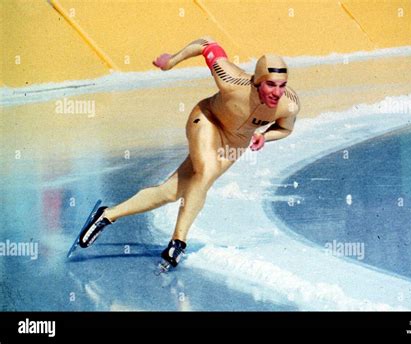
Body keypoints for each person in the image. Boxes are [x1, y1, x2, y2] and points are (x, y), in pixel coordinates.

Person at [77, 37, 300, 271]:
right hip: (207, 120)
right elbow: (206, 45)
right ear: (257, 82)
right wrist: (171, 61)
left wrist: (265, 136)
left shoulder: (290, 103)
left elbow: (285, 128)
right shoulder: (231, 81)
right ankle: (178, 242)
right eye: (271, 85)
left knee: (170, 192)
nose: (277, 92)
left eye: (282, 85)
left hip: (235, 143)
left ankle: (107, 216)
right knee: (205, 171)